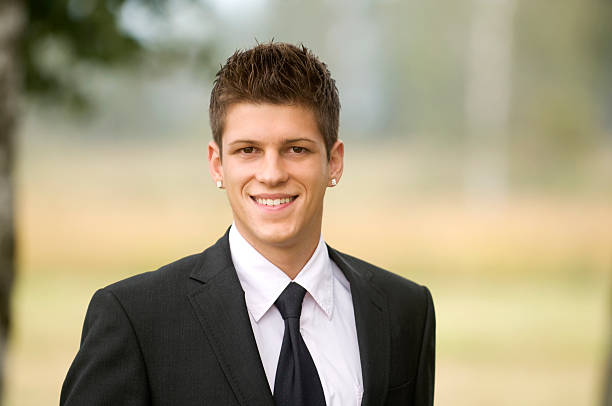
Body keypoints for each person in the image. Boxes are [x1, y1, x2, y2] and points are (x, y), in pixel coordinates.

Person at [60, 42, 435, 406]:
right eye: (248, 150)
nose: (272, 174)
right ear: (217, 164)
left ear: (334, 162)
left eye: (296, 149)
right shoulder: (135, 319)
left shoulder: (405, 311)